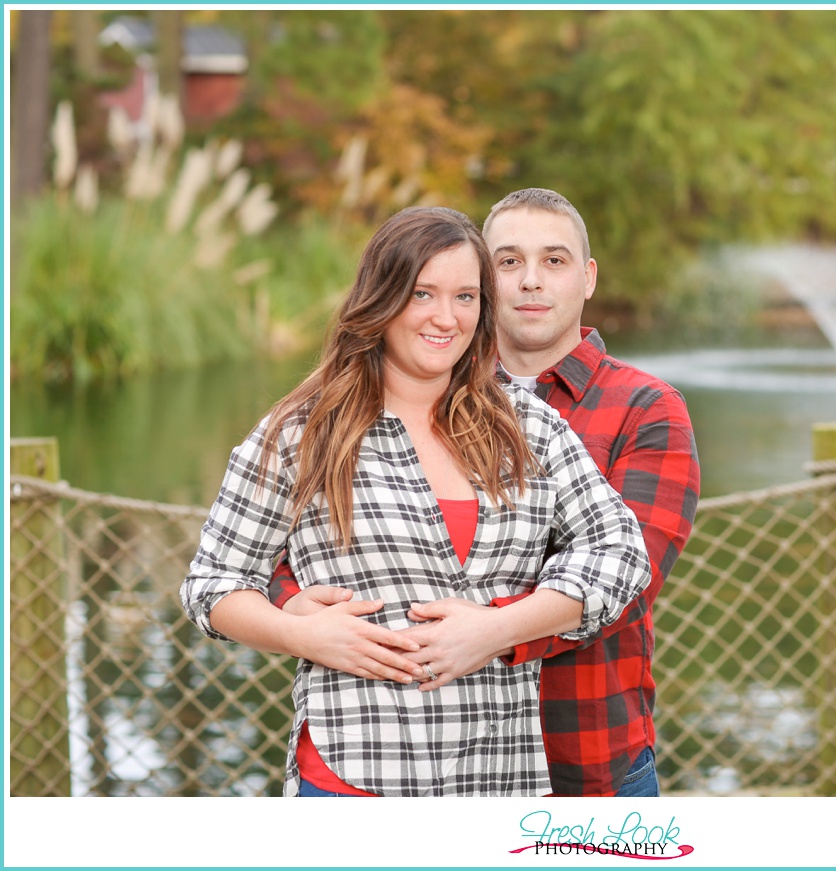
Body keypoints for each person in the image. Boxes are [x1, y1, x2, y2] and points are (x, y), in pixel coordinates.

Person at [180, 206, 650, 797]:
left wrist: (498, 629)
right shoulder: (303, 432)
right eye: (422, 293)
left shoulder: (528, 428)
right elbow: (213, 584)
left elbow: (622, 550)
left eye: (465, 297)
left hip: (499, 777)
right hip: (357, 772)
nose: (445, 318)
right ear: (381, 298)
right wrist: (301, 634)